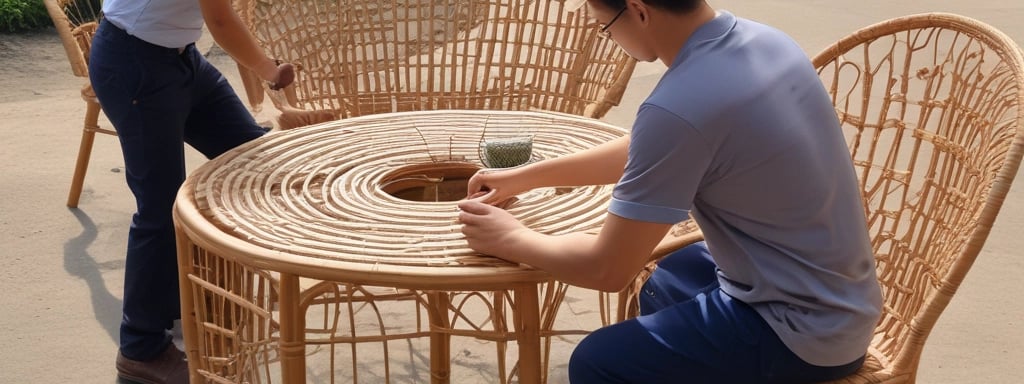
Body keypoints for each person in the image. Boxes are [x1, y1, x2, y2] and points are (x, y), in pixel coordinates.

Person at [457, 0, 883, 383]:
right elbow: (658, 144)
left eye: (605, 25)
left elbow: (605, 270)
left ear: (638, 10)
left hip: (801, 335)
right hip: (842, 298)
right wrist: (529, 176)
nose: (610, 38)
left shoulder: (679, 105)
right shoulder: (766, 41)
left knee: (597, 361)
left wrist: (511, 239)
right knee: (666, 276)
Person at [88, 0, 294, 382]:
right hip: (136, 64)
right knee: (161, 209)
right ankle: (140, 348)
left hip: (180, 58)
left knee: (251, 158)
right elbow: (221, 20)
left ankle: (200, 296)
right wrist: (271, 71)